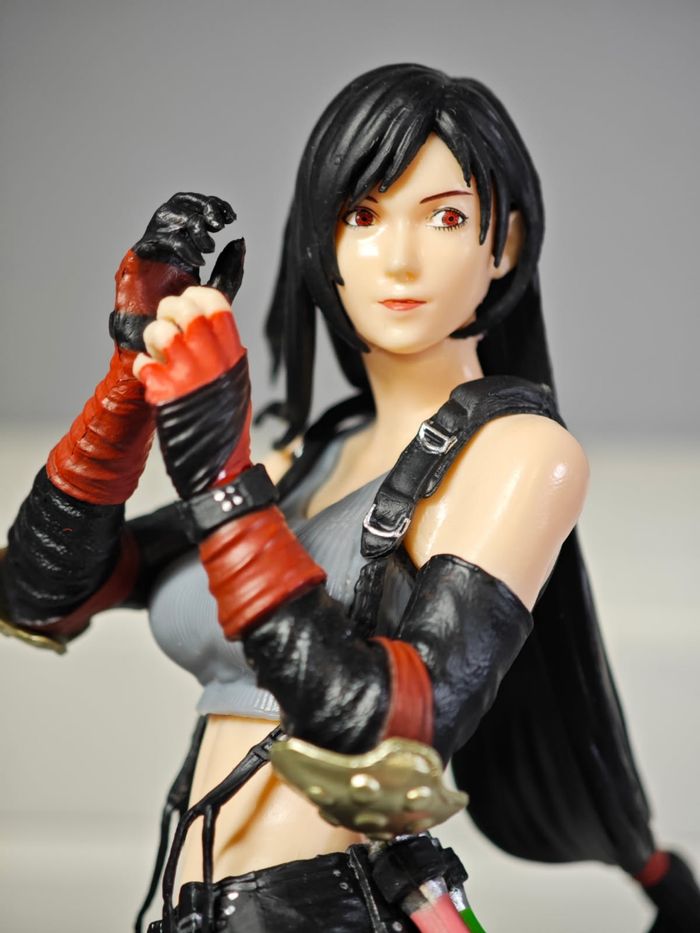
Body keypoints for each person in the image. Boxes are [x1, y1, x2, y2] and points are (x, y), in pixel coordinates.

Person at [2, 63, 699, 932]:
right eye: (363, 216)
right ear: (321, 243)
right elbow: (40, 596)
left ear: (506, 245)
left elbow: (392, 730)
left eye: (445, 217)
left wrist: (221, 478)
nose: (399, 257)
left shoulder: (518, 457)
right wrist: (129, 380)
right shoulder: (304, 459)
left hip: (332, 906)